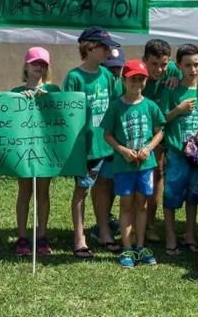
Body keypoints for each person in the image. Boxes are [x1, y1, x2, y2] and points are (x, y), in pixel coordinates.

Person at [62, 26, 120, 258]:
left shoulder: (107, 75)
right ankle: (79, 236)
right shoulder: (74, 78)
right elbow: (66, 113)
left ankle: (104, 231)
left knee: (104, 187)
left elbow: (115, 105)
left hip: (106, 145)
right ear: (90, 47)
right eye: (104, 47)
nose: (109, 52)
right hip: (84, 148)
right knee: (81, 191)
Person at [102, 59, 166, 267]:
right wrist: (122, 150)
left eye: (141, 79)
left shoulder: (150, 106)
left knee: (142, 204)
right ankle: (127, 247)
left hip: (145, 165)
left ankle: (140, 245)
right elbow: (108, 135)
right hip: (124, 165)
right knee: (126, 204)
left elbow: (160, 131)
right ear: (124, 80)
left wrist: (148, 148)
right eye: (133, 79)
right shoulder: (116, 107)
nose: (137, 83)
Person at [12, 47, 62, 258]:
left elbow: (63, 116)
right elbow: (9, 121)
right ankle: (22, 237)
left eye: (43, 64)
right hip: (24, 150)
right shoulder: (15, 92)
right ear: (26, 65)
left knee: (43, 192)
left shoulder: (55, 91)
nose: (39, 67)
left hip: (45, 149)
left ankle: (42, 235)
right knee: (24, 192)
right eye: (35, 63)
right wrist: (19, 100)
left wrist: (48, 100)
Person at [160, 44, 198, 255]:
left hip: (196, 154)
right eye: (188, 65)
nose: (193, 69)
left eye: (196, 64)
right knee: (171, 195)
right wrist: (177, 110)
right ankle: (171, 234)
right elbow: (161, 119)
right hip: (176, 152)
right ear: (178, 65)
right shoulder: (171, 90)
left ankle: (190, 234)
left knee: (194, 194)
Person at [141, 39, 182, 243]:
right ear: (144, 61)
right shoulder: (136, 78)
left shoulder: (174, 70)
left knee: (157, 175)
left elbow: (188, 70)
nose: (159, 69)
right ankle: (132, 222)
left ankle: (150, 223)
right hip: (139, 137)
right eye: (154, 64)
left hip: (161, 136)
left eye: (164, 64)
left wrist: (177, 76)